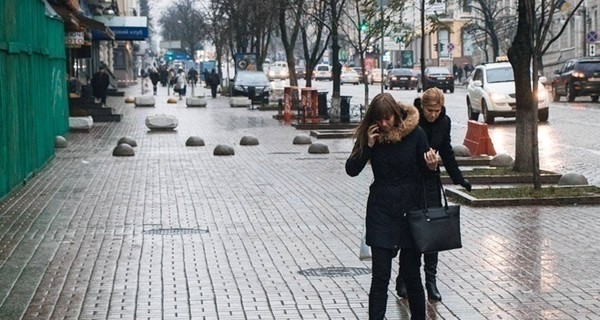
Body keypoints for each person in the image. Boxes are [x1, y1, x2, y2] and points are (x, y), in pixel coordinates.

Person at [346, 92, 438, 320]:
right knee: (380, 277)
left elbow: (428, 177)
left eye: (388, 119)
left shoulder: (416, 134)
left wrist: (432, 166)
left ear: (396, 115)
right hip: (382, 212)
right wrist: (367, 145)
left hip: (410, 213)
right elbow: (351, 169)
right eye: (379, 120)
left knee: (411, 275)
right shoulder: (373, 136)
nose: (384, 124)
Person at [395, 87, 472, 302]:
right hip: (411, 182)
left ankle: (431, 281)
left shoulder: (444, 122)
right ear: (422, 106)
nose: (433, 114)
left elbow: (446, 150)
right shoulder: (412, 120)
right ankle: (404, 278)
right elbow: (402, 150)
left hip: (430, 181)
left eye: (437, 110)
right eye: (429, 110)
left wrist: (459, 179)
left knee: (432, 232)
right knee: (412, 232)